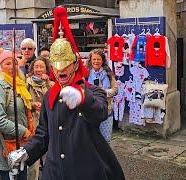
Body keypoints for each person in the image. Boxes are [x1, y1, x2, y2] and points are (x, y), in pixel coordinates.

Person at [7, 6, 125, 180]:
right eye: (56, 64)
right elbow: (44, 134)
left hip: (85, 172)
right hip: (54, 172)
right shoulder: (50, 95)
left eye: (66, 64)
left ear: (76, 64)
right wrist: (26, 152)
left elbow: (100, 111)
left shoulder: (93, 91)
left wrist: (83, 99)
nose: (60, 69)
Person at [0, 50, 34, 180]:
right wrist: (23, 131)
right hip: (5, 146)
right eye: (7, 64)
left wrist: (31, 106)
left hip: (19, 145)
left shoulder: (18, 85)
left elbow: (16, 108)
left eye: (15, 63)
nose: (12, 67)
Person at [26, 57, 54, 180]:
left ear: (46, 69)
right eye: (36, 66)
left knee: (49, 157)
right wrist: (32, 105)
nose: (39, 69)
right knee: (33, 160)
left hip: (48, 123)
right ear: (32, 69)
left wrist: (48, 83)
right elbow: (23, 101)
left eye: (41, 66)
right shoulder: (27, 83)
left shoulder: (52, 84)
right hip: (33, 123)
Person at [86, 49, 118, 143]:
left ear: (102, 60)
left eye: (98, 59)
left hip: (106, 110)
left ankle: (105, 157)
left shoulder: (108, 73)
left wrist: (104, 92)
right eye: (94, 59)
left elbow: (115, 90)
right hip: (90, 110)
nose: (96, 61)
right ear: (90, 60)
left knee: (105, 139)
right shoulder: (86, 74)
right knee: (90, 139)